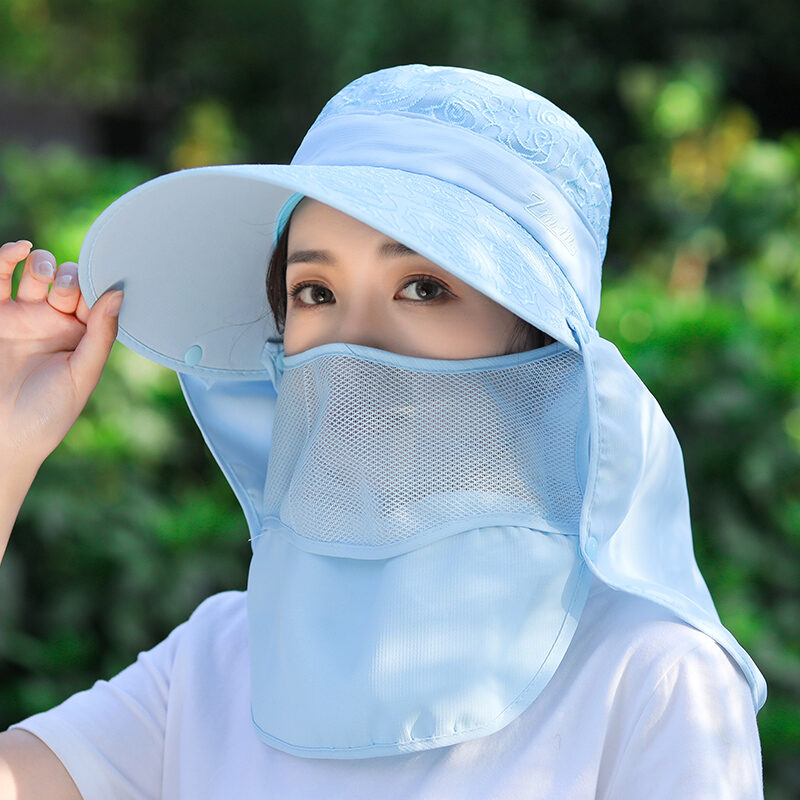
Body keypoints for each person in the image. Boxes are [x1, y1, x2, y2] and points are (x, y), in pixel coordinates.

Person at [0, 64, 765, 798]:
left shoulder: (652, 675)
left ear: (538, 345)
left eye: (423, 287)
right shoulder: (217, 662)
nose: (352, 345)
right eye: (315, 291)